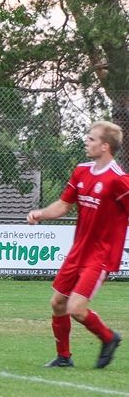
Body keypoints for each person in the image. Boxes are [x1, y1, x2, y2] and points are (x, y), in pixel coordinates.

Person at [27, 121, 127, 369]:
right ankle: (64, 358)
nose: (86, 141)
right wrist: (40, 213)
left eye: (91, 138)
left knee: (75, 308)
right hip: (78, 251)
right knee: (58, 303)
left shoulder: (119, 180)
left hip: (101, 255)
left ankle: (108, 338)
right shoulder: (81, 171)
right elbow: (63, 205)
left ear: (105, 146)